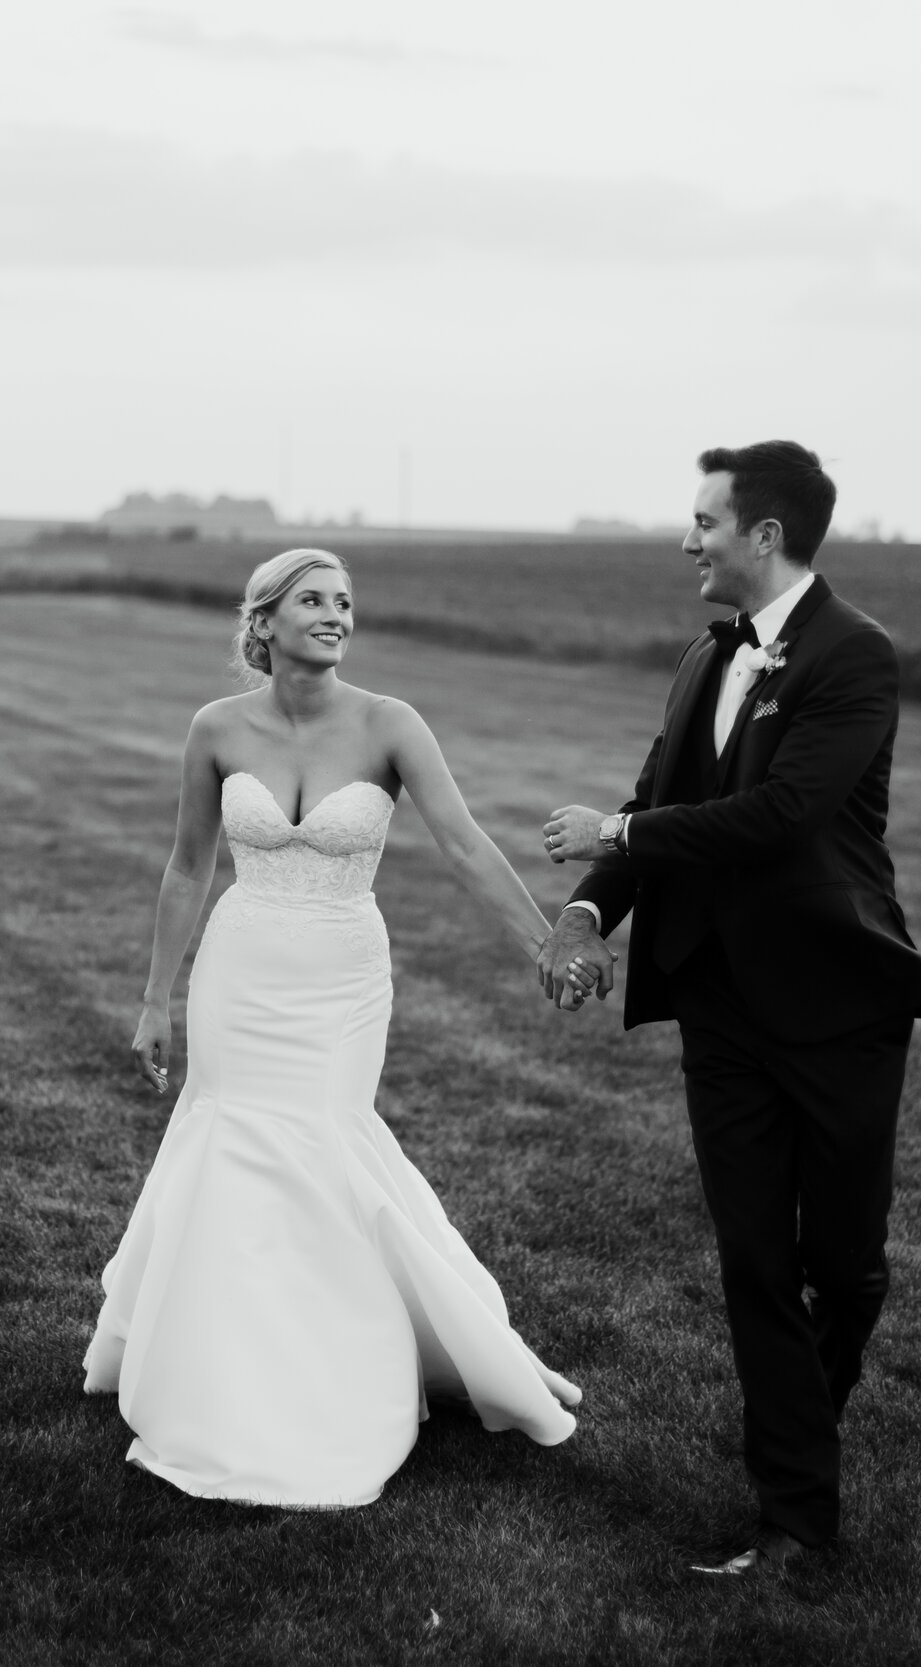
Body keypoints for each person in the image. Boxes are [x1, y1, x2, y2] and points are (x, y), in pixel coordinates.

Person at [538, 442, 921, 1576]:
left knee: (844, 1262)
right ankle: (792, 1516)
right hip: (719, 1004)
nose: (687, 540)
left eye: (703, 520)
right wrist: (588, 913)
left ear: (762, 534)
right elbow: (656, 803)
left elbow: (781, 814)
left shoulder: (853, 654)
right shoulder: (701, 657)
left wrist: (622, 834)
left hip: (834, 1000)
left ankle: (802, 1419)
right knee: (753, 1262)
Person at [85, 547, 585, 1508]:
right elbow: (189, 867)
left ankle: (343, 1364)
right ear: (264, 622)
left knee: (324, 1143)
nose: (335, 614)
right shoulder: (216, 728)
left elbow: (464, 842)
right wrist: (157, 997)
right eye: (312, 599)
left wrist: (542, 942)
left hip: (343, 979)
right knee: (232, 1145)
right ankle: (228, 1369)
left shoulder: (391, 724)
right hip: (243, 969)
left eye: (345, 602)